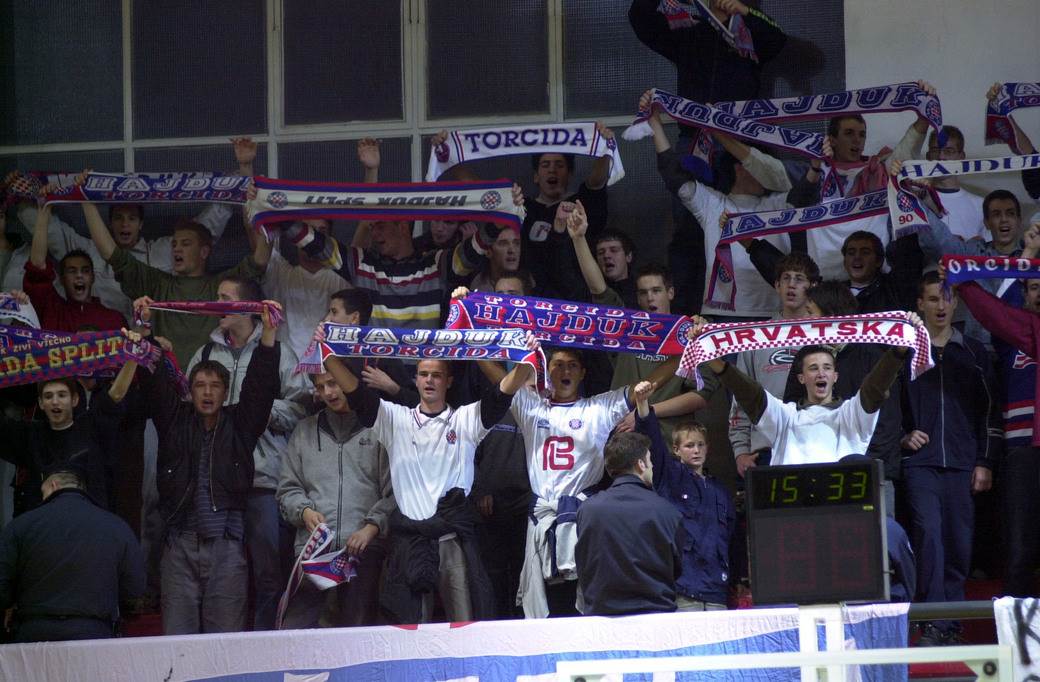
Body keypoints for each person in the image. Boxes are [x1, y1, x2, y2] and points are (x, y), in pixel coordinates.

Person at [322, 341, 532, 623]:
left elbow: (502, 394)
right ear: (415, 379)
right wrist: (327, 351)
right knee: (410, 626)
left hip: (452, 539)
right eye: (423, 374)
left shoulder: (465, 419)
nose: (429, 380)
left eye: (436, 375)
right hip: (410, 540)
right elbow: (356, 393)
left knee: (465, 622)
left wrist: (527, 358)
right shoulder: (395, 419)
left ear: (449, 381)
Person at [141, 300, 283, 635]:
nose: (207, 392)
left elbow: (260, 388)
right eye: (200, 386)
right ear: (189, 392)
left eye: (215, 386)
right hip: (179, 545)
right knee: (179, 642)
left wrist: (270, 335)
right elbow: (154, 383)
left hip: (227, 547)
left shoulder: (241, 424)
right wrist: (145, 329)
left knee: (225, 647)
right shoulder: (174, 421)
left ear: (225, 392)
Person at [182, 276, 309, 631]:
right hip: (215, 484)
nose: (216, 304)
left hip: (263, 479)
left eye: (224, 298)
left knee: (269, 575)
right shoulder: (205, 354)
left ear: (248, 307)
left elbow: (301, 409)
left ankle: (268, 647)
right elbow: (186, 407)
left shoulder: (280, 353)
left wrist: (261, 412)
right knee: (222, 574)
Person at [13, 138, 252, 319]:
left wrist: (242, 175)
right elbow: (52, 232)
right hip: (105, 334)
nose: (124, 224)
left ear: (141, 224)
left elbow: (206, 228)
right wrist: (20, 196)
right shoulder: (88, 251)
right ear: (109, 223)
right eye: (118, 218)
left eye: (131, 218)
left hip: (154, 337)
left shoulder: (163, 250)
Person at [899, 272, 998, 645]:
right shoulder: (905, 353)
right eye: (932, 299)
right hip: (920, 464)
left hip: (962, 462)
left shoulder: (973, 352)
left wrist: (985, 461)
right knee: (928, 537)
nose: (941, 306)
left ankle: (951, 623)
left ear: (955, 302)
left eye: (946, 299)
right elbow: (888, 408)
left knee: (958, 542)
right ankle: (932, 620)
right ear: (919, 305)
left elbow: (990, 411)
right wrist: (902, 438)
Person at [643, 90, 794, 319]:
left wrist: (718, 131)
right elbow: (672, 173)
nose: (763, 172)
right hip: (721, 315)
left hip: (773, 314)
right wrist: (654, 121)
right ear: (741, 168)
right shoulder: (713, 203)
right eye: (756, 165)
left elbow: (798, 186)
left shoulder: (781, 200)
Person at [569, 201, 711, 443]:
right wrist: (579, 238)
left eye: (656, 290)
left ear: (671, 293)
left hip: (670, 443)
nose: (650, 297)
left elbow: (701, 396)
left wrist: (646, 414)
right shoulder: (628, 327)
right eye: (644, 292)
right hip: (626, 442)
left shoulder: (689, 333)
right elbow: (598, 288)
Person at [694, 313, 918, 466]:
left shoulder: (851, 414)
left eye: (827, 368)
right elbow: (749, 393)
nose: (821, 373)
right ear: (801, 378)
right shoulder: (785, 415)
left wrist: (898, 351)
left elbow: (875, 387)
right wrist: (714, 359)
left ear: (835, 376)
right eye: (813, 368)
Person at [82, 188, 270, 367]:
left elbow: (260, 261)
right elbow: (111, 254)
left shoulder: (221, 286)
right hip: (166, 386)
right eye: (174, 244)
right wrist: (84, 199)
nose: (177, 249)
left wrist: (266, 209)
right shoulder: (157, 283)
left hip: (209, 387)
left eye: (186, 244)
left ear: (204, 252)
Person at [277, 370, 396, 628]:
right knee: (298, 636)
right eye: (321, 387)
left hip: (363, 552)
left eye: (333, 383)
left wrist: (370, 528)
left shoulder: (379, 429)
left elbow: (394, 493)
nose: (329, 392)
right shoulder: (304, 430)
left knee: (356, 638)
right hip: (314, 552)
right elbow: (287, 489)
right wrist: (304, 511)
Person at [950, 269, 1040, 598]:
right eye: (1033, 287)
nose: (1039, 293)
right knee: (1019, 550)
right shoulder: (1025, 330)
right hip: (1023, 453)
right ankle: (1016, 639)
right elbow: (997, 313)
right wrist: (964, 281)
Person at [781, 282, 905, 516]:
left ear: (832, 315)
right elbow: (792, 410)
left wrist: (857, 462)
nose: (805, 319)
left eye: (810, 312)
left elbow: (888, 423)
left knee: (877, 546)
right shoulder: (806, 356)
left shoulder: (873, 356)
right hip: (820, 473)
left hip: (871, 474)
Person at [0, 464, 145, 642]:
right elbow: (134, 594)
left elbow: (2, 590)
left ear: (53, 485)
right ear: (82, 488)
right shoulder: (117, 526)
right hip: (94, 634)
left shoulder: (19, 526)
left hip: (33, 634)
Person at [0, 332, 141, 511]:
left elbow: (117, 394)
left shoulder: (91, 426)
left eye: (62, 395)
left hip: (89, 524)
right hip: (44, 527)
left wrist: (134, 352)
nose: (55, 401)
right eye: (48, 396)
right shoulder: (31, 435)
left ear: (74, 400)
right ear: (41, 403)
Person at [634, 384, 734, 611]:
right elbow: (653, 442)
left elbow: (731, 539)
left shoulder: (720, 491)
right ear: (676, 449)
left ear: (708, 448)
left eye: (700, 445)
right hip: (684, 589)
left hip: (718, 590)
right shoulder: (670, 476)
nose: (696, 450)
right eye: (689, 446)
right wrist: (642, 406)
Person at [575, 426, 683, 616]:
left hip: (601, 617)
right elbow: (677, 567)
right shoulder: (667, 510)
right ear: (641, 464)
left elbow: (584, 563)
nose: (652, 466)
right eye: (650, 461)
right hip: (656, 615)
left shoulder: (587, 509)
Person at [730, 252, 820, 478]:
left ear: (812, 286)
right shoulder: (755, 337)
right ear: (777, 285)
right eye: (786, 279)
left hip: (817, 443)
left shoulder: (826, 334)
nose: (791, 285)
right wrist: (740, 450)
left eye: (799, 279)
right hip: (768, 447)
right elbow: (741, 397)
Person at [23, 202, 125, 332]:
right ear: (61, 278)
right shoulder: (52, 311)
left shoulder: (114, 320)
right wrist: (45, 208)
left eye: (85, 270)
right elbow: (37, 268)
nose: (79, 275)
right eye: (72, 271)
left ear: (93, 277)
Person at [322, 288, 419, 407]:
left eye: (334, 312)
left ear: (354, 318)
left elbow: (416, 402)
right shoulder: (326, 353)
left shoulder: (380, 355)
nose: (326, 319)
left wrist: (391, 387)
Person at [922, 126, 985, 242]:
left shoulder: (980, 205)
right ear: (928, 156)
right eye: (935, 150)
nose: (941, 157)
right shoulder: (918, 201)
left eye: (949, 151)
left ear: (961, 157)